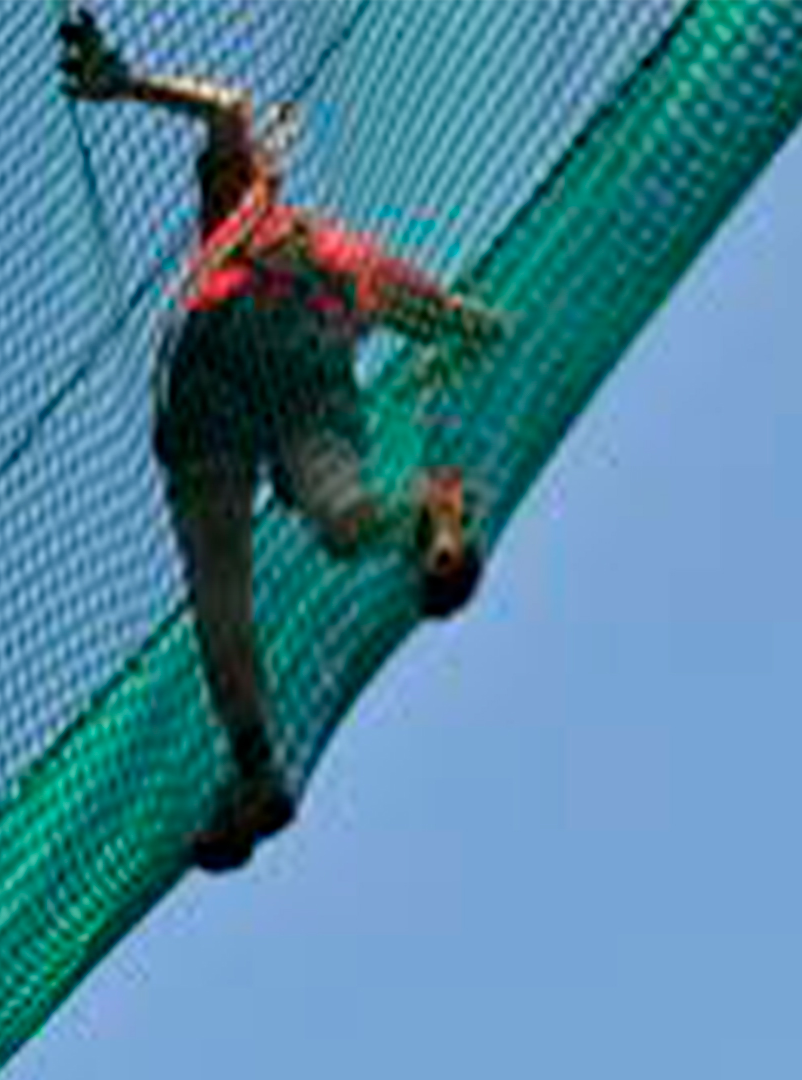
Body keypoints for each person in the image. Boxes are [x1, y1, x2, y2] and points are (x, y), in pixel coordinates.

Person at [59, 10, 508, 872]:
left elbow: (227, 105)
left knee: (219, 592)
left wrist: (121, 82)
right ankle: (430, 507)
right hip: (306, 350)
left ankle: (255, 770)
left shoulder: (240, 209)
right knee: (344, 521)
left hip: (221, 359)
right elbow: (468, 326)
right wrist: (435, 373)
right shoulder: (351, 254)